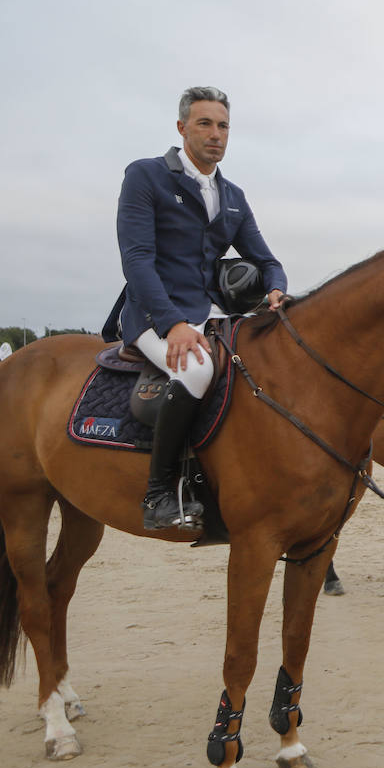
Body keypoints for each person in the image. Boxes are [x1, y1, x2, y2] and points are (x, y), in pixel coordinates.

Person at [103, 87, 287, 529]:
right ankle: (159, 494)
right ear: (182, 127)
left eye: (223, 126)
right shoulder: (146, 175)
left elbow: (268, 261)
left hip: (213, 311)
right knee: (197, 369)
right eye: (205, 124)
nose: (215, 134)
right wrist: (173, 325)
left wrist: (277, 290)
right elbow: (137, 260)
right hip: (153, 313)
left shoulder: (233, 195)